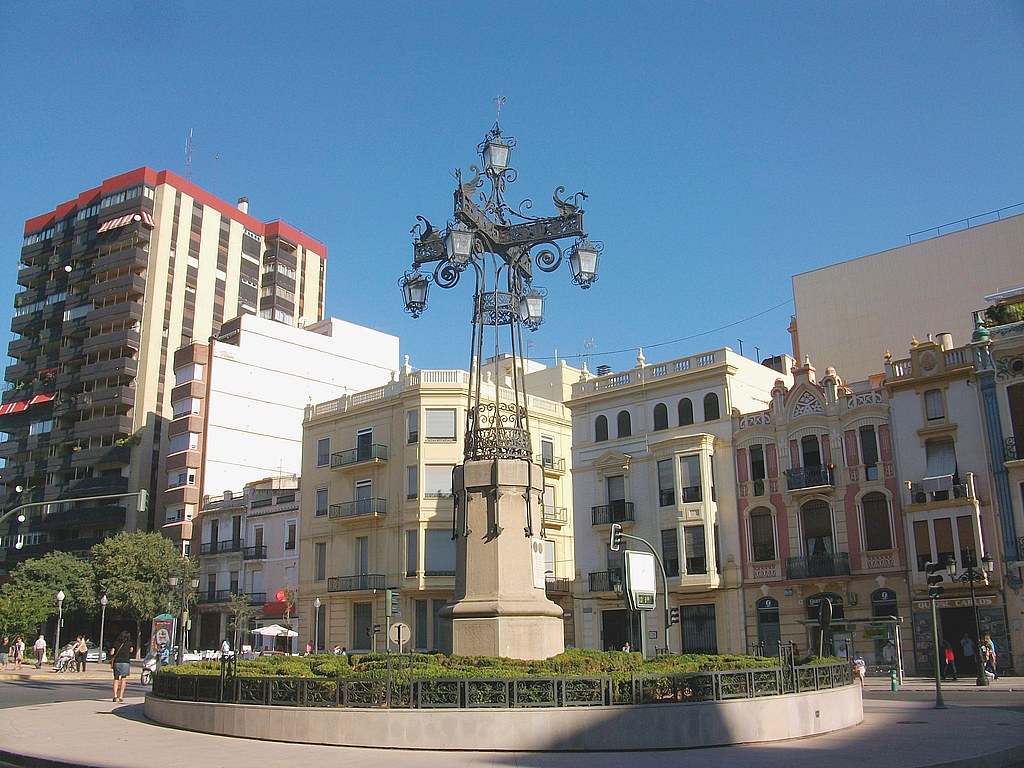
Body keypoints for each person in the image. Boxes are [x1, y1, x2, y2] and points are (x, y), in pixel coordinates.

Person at [110, 630, 133, 702]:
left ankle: (115, 695)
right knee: (123, 679)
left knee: (116, 678)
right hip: (125, 662)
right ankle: (121, 696)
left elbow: (112, 653)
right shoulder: (129, 643)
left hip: (117, 662)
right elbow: (131, 650)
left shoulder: (116, 643)